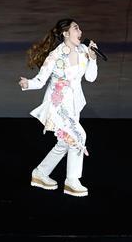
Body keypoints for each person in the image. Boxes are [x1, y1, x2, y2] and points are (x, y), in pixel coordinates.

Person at [20, 18, 99, 197]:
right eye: (76, 28)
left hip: (74, 105)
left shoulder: (83, 50)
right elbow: (40, 80)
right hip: (58, 105)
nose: (80, 32)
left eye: (79, 28)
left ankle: (40, 174)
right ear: (65, 33)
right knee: (79, 135)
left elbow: (91, 78)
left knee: (65, 142)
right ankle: (72, 181)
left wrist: (93, 58)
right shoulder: (55, 56)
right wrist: (27, 84)